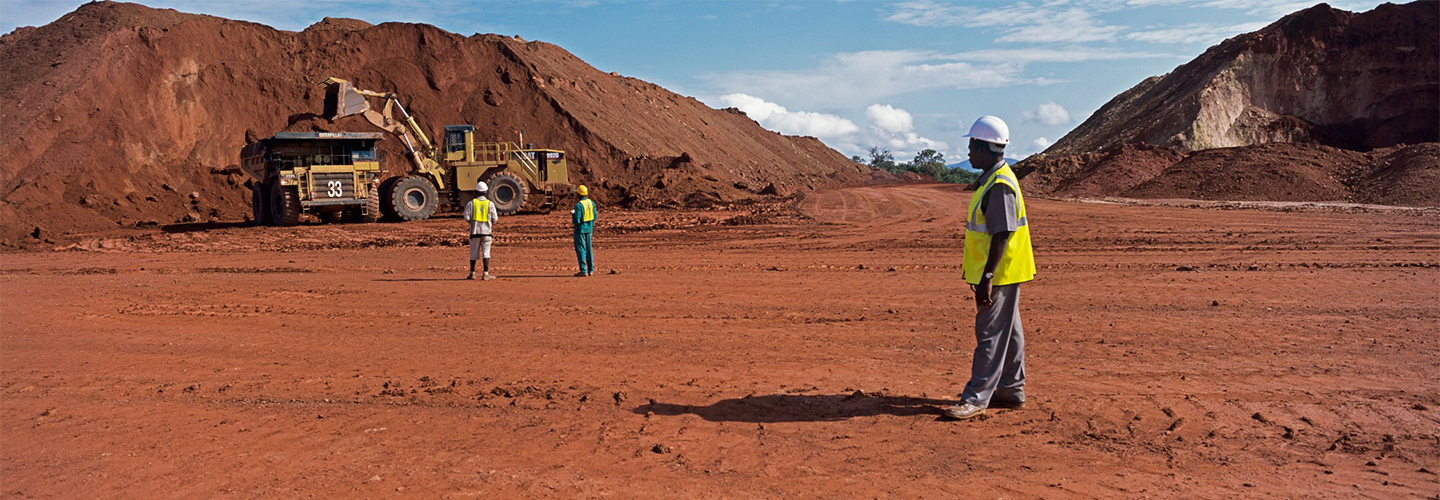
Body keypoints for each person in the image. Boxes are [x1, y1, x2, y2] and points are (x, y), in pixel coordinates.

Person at [944, 116, 1037, 421]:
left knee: (990, 335)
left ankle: (976, 397)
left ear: (986, 147)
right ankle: (1011, 390)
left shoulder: (999, 185)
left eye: (972, 145)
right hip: (1005, 272)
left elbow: (1001, 234)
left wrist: (986, 277)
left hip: (999, 274)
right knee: (1009, 332)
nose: (969, 152)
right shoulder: (996, 179)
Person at [464, 180, 499, 281]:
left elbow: (466, 217)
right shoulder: (490, 204)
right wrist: (489, 223)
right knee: (486, 252)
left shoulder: (471, 203)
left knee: (473, 252)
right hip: (487, 232)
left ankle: (472, 273)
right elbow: (495, 219)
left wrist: (473, 223)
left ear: (476, 192)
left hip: (474, 232)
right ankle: (485, 273)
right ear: (486, 192)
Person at [572, 185, 597, 277]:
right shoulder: (592, 203)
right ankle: (591, 270)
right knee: (589, 249)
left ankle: (583, 270)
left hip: (580, 230)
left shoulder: (579, 205)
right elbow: (595, 216)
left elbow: (577, 219)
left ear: (578, 194)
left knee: (581, 250)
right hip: (589, 229)